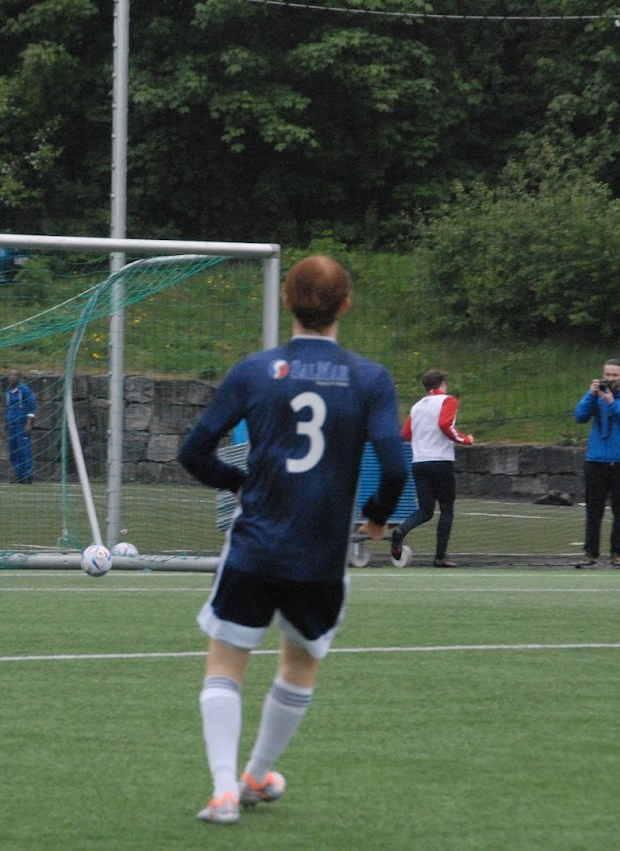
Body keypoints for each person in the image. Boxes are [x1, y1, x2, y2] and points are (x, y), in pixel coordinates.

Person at [177, 255, 406, 826]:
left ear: (286, 301)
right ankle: (258, 772)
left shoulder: (255, 371)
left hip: (254, 542)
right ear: (346, 305)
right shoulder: (371, 379)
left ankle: (225, 790)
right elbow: (396, 466)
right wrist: (377, 516)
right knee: (299, 663)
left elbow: (192, 452)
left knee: (226, 663)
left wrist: (238, 480)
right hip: (321, 555)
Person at [390, 368, 474, 568]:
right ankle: (439, 557)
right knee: (446, 509)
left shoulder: (417, 406)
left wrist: (423, 440)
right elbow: (445, 425)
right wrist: (466, 439)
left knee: (425, 510)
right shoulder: (448, 400)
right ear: (442, 383)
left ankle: (401, 531)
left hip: (419, 462)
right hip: (441, 461)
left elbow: (406, 434)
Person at [572, 359, 620, 568]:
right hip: (596, 460)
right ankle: (590, 554)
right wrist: (591, 395)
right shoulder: (596, 395)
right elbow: (579, 417)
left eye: (614, 375)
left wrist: (612, 402)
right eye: (607, 375)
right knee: (593, 510)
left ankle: (617, 554)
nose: (610, 379)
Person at [4, 369, 36, 483]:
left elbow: (31, 407)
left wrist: (28, 423)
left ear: (19, 377)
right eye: (10, 375)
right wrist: (6, 422)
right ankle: (19, 475)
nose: (12, 377)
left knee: (24, 450)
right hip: (11, 425)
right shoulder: (8, 391)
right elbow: (8, 408)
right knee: (13, 451)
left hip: (21, 425)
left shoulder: (25, 390)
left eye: (15, 375)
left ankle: (28, 474)